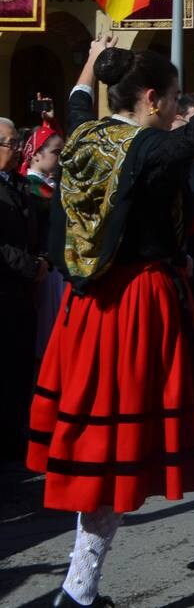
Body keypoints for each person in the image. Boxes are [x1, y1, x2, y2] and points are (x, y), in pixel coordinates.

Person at [30, 32, 194, 607]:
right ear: (152, 99)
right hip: (133, 309)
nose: (180, 110)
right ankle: (76, 592)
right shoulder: (148, 148)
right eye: (175, 99)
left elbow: (78, 97)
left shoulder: (87, 133)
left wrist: (92, 57)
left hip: (100, 306)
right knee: (115, 449)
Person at [1, 115, 47, 461]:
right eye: (10, 144)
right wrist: (30, 266)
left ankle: (17, 437)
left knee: (19, 367)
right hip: (7, 286)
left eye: (18, 143)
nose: (18, 150)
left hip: (22, 292)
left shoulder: (18, 185)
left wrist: (42, 258)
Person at [21, 123, 63, 359]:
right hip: (44, 266)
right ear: (36, 153)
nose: (60, 158)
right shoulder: (30, 186)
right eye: (56, 152)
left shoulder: (49, 186)